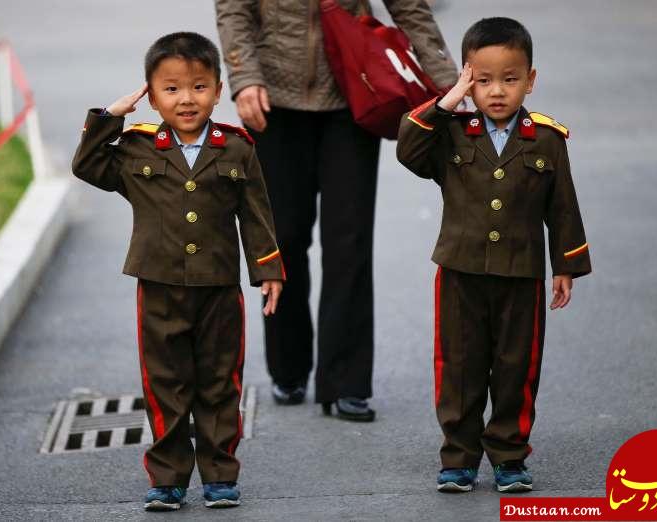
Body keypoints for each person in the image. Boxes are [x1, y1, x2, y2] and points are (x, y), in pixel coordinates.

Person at [215, 0, 458, 422]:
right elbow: (234, 10)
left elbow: (410, 9)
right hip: (274, 98)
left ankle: (346, 380)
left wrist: (452, 87)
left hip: (352, 91)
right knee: (284, 237)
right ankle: (288, 366)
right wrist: (244, 76)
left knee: (349, 239)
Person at [71, 32, 285, 511]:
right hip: (159, 285)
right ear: (150, 92)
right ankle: (167, 478)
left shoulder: (236, 148)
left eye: (198, 86)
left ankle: (219, 475)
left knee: (218, 382)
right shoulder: (135, 149)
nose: (186, 99)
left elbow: (256, 214)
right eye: (170, 88)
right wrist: (110, 117)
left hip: (218, 287)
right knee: (165, 384)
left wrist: (268, 270)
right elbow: (86, 166)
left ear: (218, 88)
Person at [397, 17, 591, 492]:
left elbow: (562, 207)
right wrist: (448, 99)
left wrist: (564, 266)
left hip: (520, 274)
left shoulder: (545, 139)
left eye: (510, 79)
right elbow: (408, 148)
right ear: (467, 78)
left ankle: (508, 456)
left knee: (516, 367)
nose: (497, 91)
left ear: (530, 80)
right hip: (460, 271)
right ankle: (459, 457)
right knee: (459, 366)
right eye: (482, 80)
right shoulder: (451, 133)